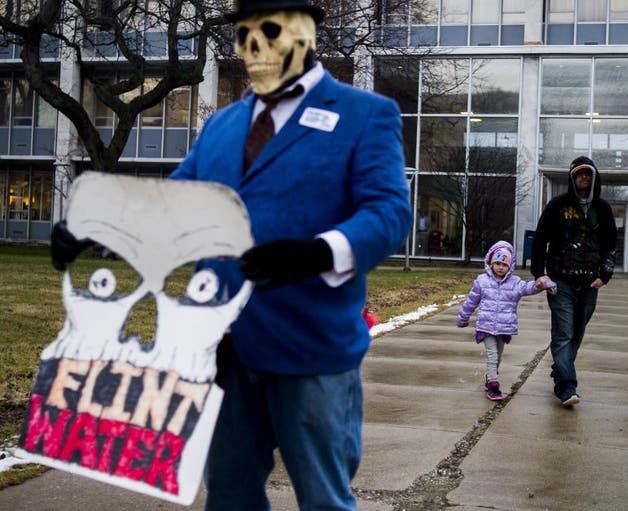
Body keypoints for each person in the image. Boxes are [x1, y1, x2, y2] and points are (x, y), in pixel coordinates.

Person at [50, 1, 411, 509]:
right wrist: (96, 224)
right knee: (230, 495)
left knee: (325, 498)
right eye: (245, 34)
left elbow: (389, 211)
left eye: (271, 30)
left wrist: (320, 252)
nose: (255, 46)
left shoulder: (365, 114)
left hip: (311, 349)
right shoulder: (221, 124)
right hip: (222, 350)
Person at [531, 156, 617, 407]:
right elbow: (539, 241)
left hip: (590, 283)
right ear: (572, 178)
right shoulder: (557, 206)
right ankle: (566, 387)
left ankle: (561, 369)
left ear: (594, 178)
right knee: (564, 333)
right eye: (579, 174)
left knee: (577, 334)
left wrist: (606, 274)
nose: (584, 178)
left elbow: (611, 244)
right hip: (561, 282)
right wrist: (539, 274)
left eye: (588, 174)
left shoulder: (603, 209)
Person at [457, 241, 553, 401]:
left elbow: (528, 288)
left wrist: (539, 285)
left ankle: (490, 377)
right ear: (491, 263)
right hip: (486, 326)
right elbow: (471, 301)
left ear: (510, 266)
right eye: (497, 263)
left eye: (504, 264)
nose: (500, 267)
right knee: (492, 355)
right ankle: (493, 385)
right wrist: (463, 318)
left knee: (498, 357)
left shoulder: (515, 283)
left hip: (504, 327)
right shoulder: (482, 281)